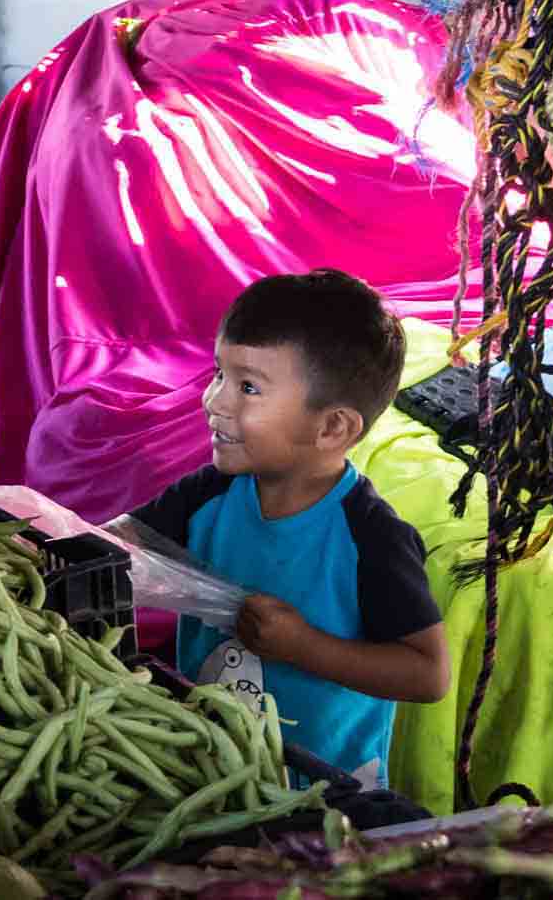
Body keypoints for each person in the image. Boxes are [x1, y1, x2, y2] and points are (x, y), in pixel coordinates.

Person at [127, 270, 450, 789]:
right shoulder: (208, 494)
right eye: (219, 376)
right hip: (208, 767)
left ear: (333, 428)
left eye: (248, 388)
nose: (215, 402)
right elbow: (118, 543)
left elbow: (428, 674)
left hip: (326, 796)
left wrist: (305, 646)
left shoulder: (371, 537)